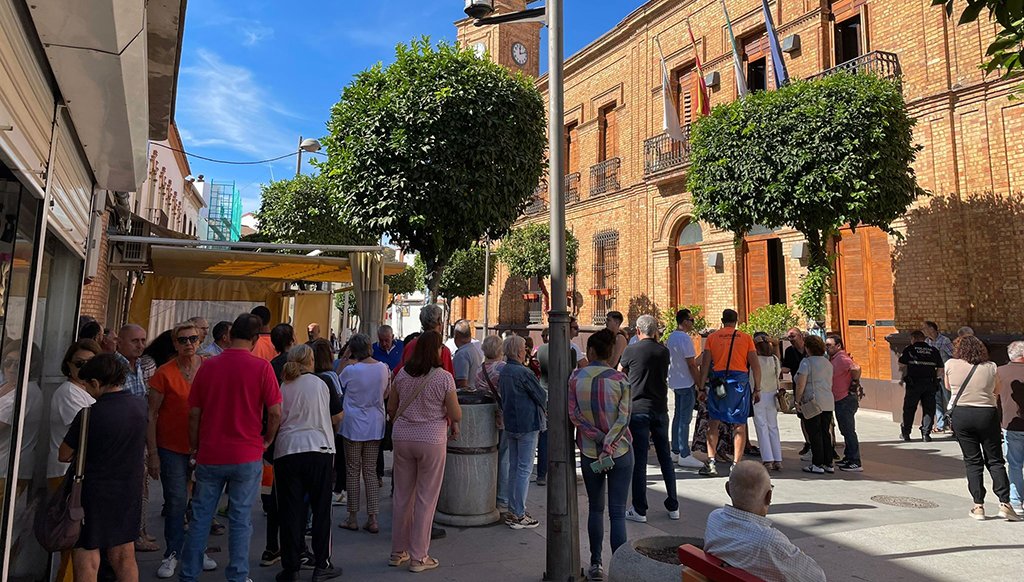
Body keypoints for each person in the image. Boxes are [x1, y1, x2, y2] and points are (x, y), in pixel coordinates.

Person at [178, 313, 283, 582]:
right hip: (247, 453)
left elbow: (194, 413)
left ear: (230, 335)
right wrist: (267, 440)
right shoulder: (262, 368)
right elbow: (275, 412)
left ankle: (189, 574)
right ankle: (237, 575)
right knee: (240, 519)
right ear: (255, 339)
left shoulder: (208, 366)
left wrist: (194, 445)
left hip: (211, 452)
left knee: (201, 517)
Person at [58, 354, 148, 582]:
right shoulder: (140, 406)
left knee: (87, 552)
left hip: (94, 493)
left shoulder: (89, 414)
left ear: (96, 383)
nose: (87, 390)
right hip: (129, 489)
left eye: (88, 385)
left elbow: (64, 454)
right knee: (124, 554)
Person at [147, 322, 217, 578]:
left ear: (200, 341)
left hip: (204, 446)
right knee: (176, 501)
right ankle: (172, 552)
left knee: (202, 502)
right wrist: (153, 453)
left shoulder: (209, 368)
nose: (189, 344)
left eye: (193, 339)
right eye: (183, 340)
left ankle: (198, 550)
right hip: (171, 447)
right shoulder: (163, 373)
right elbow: (152, 414)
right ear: (175, 344)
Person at [388, 331, 461, 572]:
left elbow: (391, 407)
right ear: (436, 350)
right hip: (431, 439)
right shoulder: (444, 378)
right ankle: (419, 556)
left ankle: (398, 551)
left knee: (402, 496)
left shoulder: (402, 374)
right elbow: (455, 413)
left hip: (402, 437)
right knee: (426, 499)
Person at [274, 344, 344, 581]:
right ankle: (322, 563)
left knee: (290, 512)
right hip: (319, 448)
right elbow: (338, 416)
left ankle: (291, 567)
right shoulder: (322, 382)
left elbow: (275, 416)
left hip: (287, 450)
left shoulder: (283, 385)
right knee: (321, 510)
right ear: (310, 361)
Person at [568, 329, 633, 582]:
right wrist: (609, 443)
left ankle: (596, 563)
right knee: (617, 513)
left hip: (589, 452)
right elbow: (624, 418)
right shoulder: (621, 379)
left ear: (592, 351)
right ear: (610, 353)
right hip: (620, 452)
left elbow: (574, 415)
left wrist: (597, 438)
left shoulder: (575, 378)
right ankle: (620, 567)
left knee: (595, 509)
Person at [704, 461, 826, 582]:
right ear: (769, 497)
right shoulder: (769, 541)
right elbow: (817, 577)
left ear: (728, 490)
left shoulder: (715, 518)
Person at [945, 335, 1020, 521]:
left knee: (972, 461)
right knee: (995, 460)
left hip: (962, 414)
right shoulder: (991, 367)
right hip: (986, 413)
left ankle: (978, 506)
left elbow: (948, 387)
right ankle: (1005, 503)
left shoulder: (950, 364)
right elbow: (996, 390)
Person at [47, 339, 101, 582]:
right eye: (80, 364)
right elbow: (89, 435)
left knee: (80, 545)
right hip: (67, 475)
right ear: (68, 365)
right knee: (73, 543)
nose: (85, 369)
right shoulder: (70, 393)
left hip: (81, 475)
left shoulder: (85, 391)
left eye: (92, 364)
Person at [620, 314, 678, 522]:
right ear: (655, 331)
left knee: (640, 460)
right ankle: (673, 505)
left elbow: (620, 372)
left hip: (638, 409)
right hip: (660, 408)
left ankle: (639, 508)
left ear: (637, 330)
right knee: (665, 457)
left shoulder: (631, 350)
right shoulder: (664, 351)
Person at [697, 310, 760, 477]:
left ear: (722, 320)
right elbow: (755, 366)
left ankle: (711, 462)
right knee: (739, 424)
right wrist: (757, 388)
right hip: (739, 383)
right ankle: (736, 464)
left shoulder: (712, 338)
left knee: (714, 421)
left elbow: (705, 365)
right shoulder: (746, 338)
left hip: (719, 382)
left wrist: (701, 388)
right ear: (736, 321)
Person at [337, 333, 388, 534]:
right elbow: (386, 393)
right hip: (375, 423)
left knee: (352, 471)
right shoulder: (383, 368)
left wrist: (344, 358)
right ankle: (373, 517)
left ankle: (352, 517)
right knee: (370, 471)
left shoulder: (351, 370)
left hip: (353, 424)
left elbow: (337, 384)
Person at [499, 334, 546, 530]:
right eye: (524, 348)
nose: (526, 351)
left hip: (511, 423)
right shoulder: (523, 372)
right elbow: (541, 395)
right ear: (519, 351)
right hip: (527, 423)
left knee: (514, 467)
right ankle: (518, 513)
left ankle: (513, 509)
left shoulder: (504, 370)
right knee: (524, 469)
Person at [667, 309, 704, 469]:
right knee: (685, 419)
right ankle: (684, 453)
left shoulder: (671, 337)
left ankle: (675, 450)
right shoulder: (685, 338)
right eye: (691, 320)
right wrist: (700, 384)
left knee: (677, 417)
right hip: (686, 382)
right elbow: (691, 364)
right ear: (685, 321)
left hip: (675, 381)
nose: (693, 323)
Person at [476, 335, 509, 511]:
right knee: (504, 457)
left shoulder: (479, 369)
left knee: (489, 455)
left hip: (485, 417)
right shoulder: (503, 368)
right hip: (503, 417)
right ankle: (502, 497)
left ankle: (486, 493)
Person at [794, 336, 835, 475]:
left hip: (813, 401)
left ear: (807, 348)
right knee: (825, 432)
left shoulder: (806, 362)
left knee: (814, 433)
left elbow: (801, 383)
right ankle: (828, 462)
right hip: (827, 401)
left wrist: (797, 400)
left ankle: (817, 463)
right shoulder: (827, 362)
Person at [826, 334, 864, 472]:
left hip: (845, 399)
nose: (827, 348)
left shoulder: (841, 357)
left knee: (848, 431)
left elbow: (856, 368)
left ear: (838, 346)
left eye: (829, 345)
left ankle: (855, 461)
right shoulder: (834, 358)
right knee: (845, 430)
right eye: (826, 345)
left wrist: (854, 382)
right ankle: (848, 457)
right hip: (839, 399)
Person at [898, 330, 944, 441]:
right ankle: (926, 434)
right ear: (923, 339)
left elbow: (901, 364)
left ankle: (906, 433)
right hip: (930, 383)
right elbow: (940, 369)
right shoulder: (933, 350)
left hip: (914, 383)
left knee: (909, 408)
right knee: (929, 409)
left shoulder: (910, 349)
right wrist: (934, 377)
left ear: (913, 339)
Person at [996, 340, 1024, 512]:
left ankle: (1016, 501)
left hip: (1010, 423)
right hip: (1012, 423)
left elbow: (995, 398)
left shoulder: (999, 371)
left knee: (1014, 464)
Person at [750, 332, 783, 471]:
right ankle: (778, 459)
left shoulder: (754, 360)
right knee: (773, 426)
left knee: (761, 426)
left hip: (758, 393)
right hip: (772, 393)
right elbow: (777, 345)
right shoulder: (774, 359)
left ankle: (767, 459)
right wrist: (771, 340)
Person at [399, 304, 454, 374]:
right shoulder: (442, 350)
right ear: (439, 322)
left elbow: (400, 372)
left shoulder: (410, 345)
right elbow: (448, 378)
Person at [782, 327, 811, 457]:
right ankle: (808, 443)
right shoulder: (789, 351)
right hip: (798, 386)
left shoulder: (810, 348)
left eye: (793, 336)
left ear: (801, 336)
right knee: (803, 416)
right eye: (789, 337)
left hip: (812, 386)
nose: (791, 339)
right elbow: (786, 368)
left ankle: (829, 445)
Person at [924, 321, 954, 432]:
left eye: (925, 328)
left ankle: (952, 424)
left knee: (948, 398)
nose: (924, 330)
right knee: (936, 401)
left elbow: (953, 354)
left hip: (944, 375)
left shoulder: (944, 341)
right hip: (933, 375)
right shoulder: (927, 342)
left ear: (932, 329)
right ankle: (941, 425)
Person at [452, 319, 484, 390]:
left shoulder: (462, 354)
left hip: (466, 395)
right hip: (474, 392)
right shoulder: (474, 349)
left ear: (456, 335)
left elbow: (462, 383)